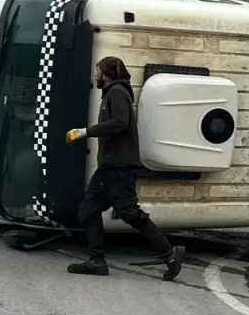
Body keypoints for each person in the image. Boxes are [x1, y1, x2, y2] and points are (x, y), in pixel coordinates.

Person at [65, 57, 184, 279]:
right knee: (89, 210)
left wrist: (85, 132)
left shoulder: (117, 92)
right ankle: (97, 261)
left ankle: (169, 254)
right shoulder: (112, 93)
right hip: (111, 166)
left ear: (106, 73)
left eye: (97, 70)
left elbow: (121, 122)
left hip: (119, 166)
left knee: (129, 212)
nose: (95, 74)